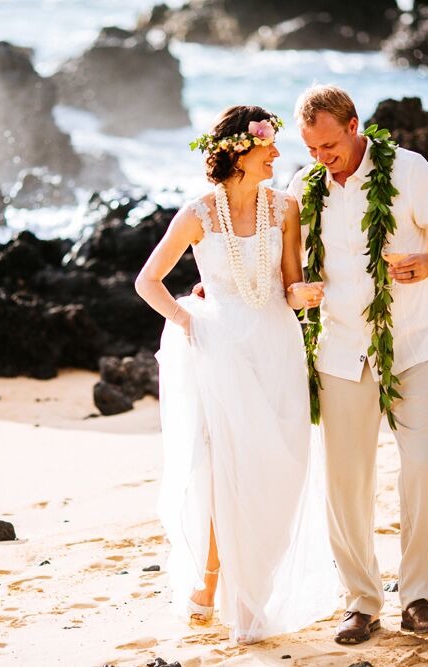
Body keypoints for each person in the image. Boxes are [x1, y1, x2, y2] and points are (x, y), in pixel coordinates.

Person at [135, 105, 336, 646]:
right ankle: (225, 589)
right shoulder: (197, 213)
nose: (276, 152)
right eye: (268, 144)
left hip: (277, 345)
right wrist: (187, 324)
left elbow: (290, 287)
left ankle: (245, 583)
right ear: (240, 151)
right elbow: (147, 281)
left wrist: (307, 294)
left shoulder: (285, 208)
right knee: (227, 469)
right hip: (220, 350)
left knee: (282, 466)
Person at [286, 84, 428, 645]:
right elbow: (285, 272)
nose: (321, 159)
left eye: (328, 146)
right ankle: (361, 602)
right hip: (340, 351)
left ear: (353, 125)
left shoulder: (410, 170)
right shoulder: (303, 186)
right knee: (345, 482)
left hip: (414, 343)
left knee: (421, 466)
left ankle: (419, 599)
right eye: (311, 149)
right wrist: (293, 292)